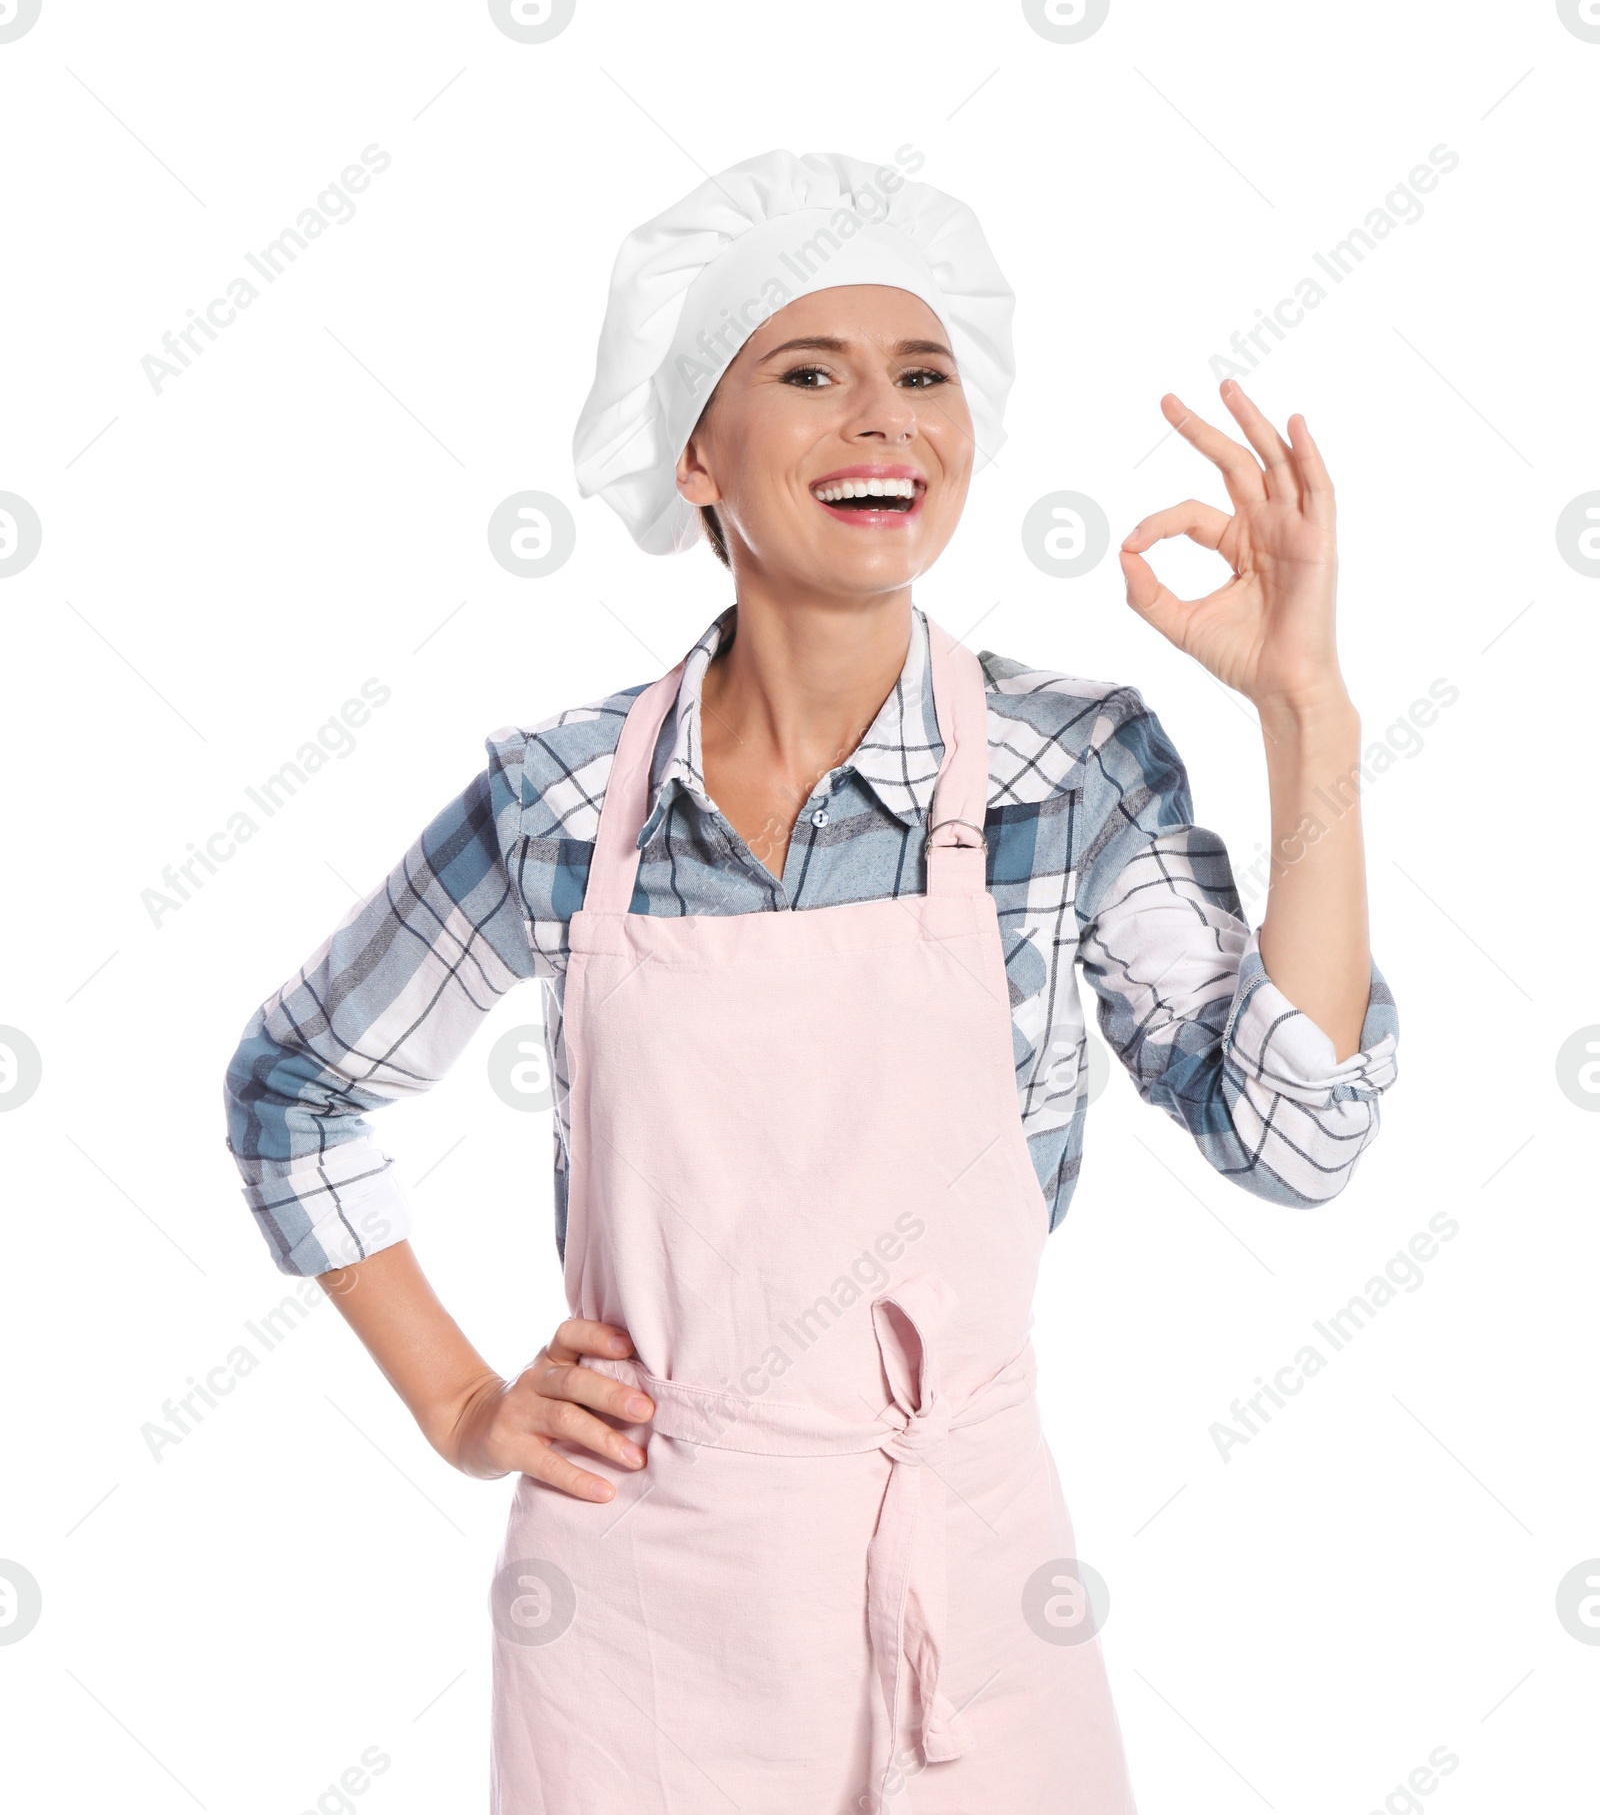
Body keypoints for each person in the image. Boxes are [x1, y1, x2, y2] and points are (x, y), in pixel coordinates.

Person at [222, 149, 1398, 1813]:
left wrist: (1308, 715)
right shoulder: (565, 799)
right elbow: (296, 1088)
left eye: (924, 375)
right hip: (635, 1631)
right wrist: (467, 1405)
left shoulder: (1072, 771)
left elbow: (1301, 1142)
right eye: (810, 372)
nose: (885, 420)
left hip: (974, 1589)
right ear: (696, 450)